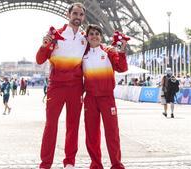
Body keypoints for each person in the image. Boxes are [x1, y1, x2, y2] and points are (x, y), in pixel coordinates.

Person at [35, 2, 87, 169]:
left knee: (73, 125)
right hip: (56, 87)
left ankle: (69, 162)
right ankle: (45, 163)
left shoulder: (85, 37)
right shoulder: (55, 35)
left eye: (80, 14)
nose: (77, 17)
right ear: (68, 14)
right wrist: (44, 46)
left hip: (76, 87)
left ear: (83, 17)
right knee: (51, 124)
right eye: (75, 14)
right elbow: (39, 60)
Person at [82, 24, 127, 169]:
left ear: (101, 37)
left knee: (112, 132)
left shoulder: (108, 51)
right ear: (87, 37)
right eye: (91, 34)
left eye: (97, 34)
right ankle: (96, 164)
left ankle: (116, 164)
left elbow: (122, 68)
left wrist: (121, 50)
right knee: (91, 134)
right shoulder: (82, 53)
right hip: (90, 98)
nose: (94, 36)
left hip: (107, 98)